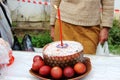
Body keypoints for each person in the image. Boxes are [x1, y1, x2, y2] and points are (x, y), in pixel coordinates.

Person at [50, 0, 114, 54]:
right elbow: (55, 1)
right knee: (61, 62)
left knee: (87, 63)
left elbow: (108, 3)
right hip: (63, 23)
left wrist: (106, 27)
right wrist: (52, 25)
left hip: (90, 27)